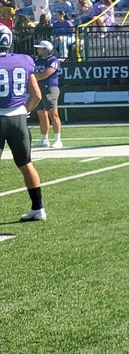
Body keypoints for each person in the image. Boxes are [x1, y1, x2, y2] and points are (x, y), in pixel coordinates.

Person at [0, 26, 47, 221]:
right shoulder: (24, 60)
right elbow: (36, 95)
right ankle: (38, 208)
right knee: (26, 164)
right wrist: (24, 111)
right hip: (18, 118)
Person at [31, 41, 64, 149]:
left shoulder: (53, 60)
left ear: (46, 49)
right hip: (38, 89)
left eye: (40, 48)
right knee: (41, 114)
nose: (38, 50)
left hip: (50, 88)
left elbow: (44, 75)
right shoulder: (38, 61)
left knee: (53, 114)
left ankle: (58, 140)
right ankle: (44, 139)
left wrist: (33, 76)